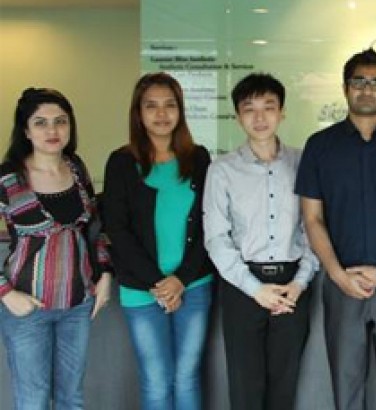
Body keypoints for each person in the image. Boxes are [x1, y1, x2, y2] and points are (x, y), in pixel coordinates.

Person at [295, 47, 376, 410]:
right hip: (341, 282)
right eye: (358, 81)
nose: (366, 89)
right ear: (344, 88)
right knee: (346, 388)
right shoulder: (320, 147)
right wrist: (338, 276)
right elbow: (312, 219)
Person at [203, 73, 318, 410]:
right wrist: (256, 290)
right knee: (245, 386)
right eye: (249, 109)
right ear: (238, 117)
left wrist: (298, 282)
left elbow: (312, 227)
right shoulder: (222, 169)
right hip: (242, 287)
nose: (260, 117)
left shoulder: (303, 163)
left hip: (293, 285)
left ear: (282, 112)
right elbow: (216, 238)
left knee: (285, 385)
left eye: (269, 107)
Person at [103, 72, 213, 410]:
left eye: (170, 105)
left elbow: (210, 225)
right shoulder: (121, 162)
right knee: (156, 378)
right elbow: (117, 231)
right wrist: (159, 283)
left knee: (187, 376)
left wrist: (180, 280)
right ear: (138, 112)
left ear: (180, 111)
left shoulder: (199, 158)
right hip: (141, 289)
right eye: (151, 106)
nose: (161, 114)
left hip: (193, 284)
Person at [0, 87, 111, 409]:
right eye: (41, 122)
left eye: (60, 121)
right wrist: (6, 293)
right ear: (25, 130)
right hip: (27, 307)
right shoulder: (8, 178)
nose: (52, 130)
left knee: (70, 399)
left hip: (77, 306)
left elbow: (94, 230)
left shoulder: (76, 169)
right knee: (33, 401)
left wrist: (105, 273)